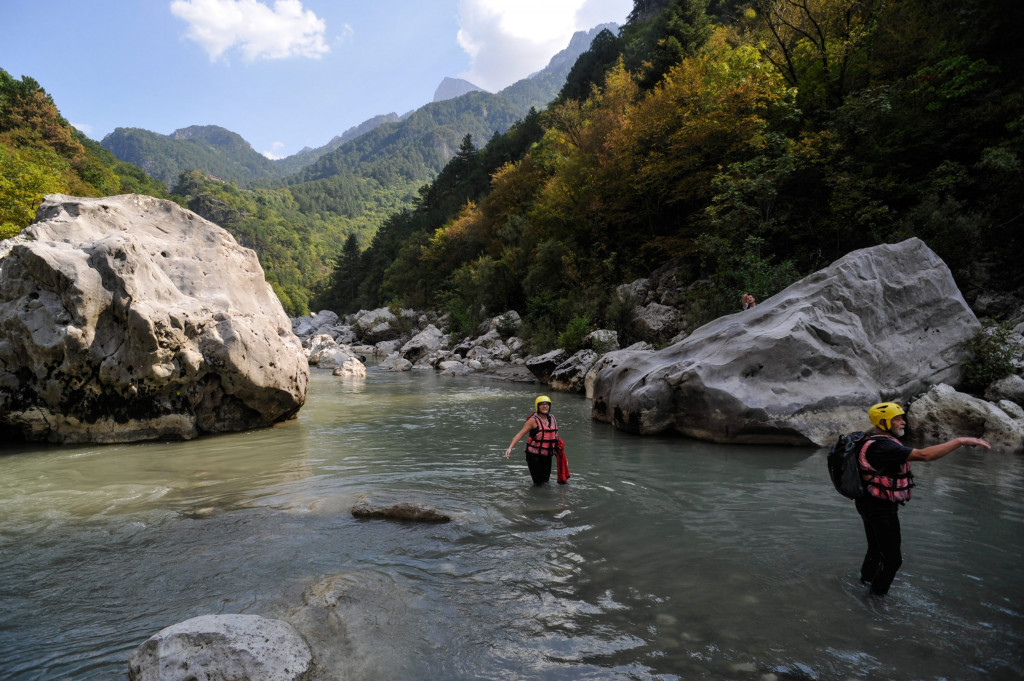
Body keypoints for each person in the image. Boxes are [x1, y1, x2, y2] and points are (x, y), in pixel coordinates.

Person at [855, 401, 990, 596]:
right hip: (880, 508)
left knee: (876, 550)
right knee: (893, 560)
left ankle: (864, 585)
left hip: (867, 502)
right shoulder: (883, 446)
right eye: (897, 419)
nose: (903, 422)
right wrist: (959, 441)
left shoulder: (871, 439)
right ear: (883, 422)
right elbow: (925, 455)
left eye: (902, 418)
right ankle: (874, 600)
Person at [505, 395, 559, 485]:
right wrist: (510, 448)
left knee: (546, 481)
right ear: (537, 406)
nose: (545, 406)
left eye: (547, 404)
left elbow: (555, 436)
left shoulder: (552, 418)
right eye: (542, 404)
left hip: (547, 455)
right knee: (538, 483)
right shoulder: (532, 421)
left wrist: (560, 454)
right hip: (534, 456)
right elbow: (520, 434)